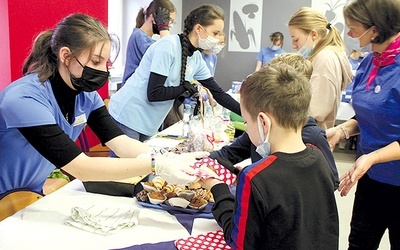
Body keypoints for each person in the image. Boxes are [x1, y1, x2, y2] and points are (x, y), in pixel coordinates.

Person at [0, 13, 202, 198]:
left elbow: (120, 142)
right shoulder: (24, 99)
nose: (102, 71)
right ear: (66, 56)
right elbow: (81, 167)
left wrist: (166, 158)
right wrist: (154, 164)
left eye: (105, 63)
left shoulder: (86, 96)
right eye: (96, 61)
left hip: (27, 194)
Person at [201, 63, 339, 249]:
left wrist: (217, 188)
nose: (247, 128)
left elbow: (239, 242)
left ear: (263, 122)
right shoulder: (319, 158)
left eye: (246, 122)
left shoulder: (255, 178)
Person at [326, 0, 400, 248]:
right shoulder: (370, 62)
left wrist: (373, 157)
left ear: (375, 29)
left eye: (353, 27)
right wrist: (343, 129)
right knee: (359, 242)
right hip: (370, 176)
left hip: (392, 175)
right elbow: (371, 114)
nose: (348, 33)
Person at [109, 4, 241, 142]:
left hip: (148, 122)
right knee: (128, 163)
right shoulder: (168, 46)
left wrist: (247, 114)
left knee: (142, 162)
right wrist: (183, 88)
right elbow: (154, 93)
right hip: (128, 114)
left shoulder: (196, 59)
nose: (218, 38)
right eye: (215, 33)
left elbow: (218, 93)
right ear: (198, 29)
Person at [210, 53, 339, 189]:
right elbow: (229, 154)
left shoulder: (313, 137)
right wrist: (199, 161)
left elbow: (331, 181)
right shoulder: (258, 132)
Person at [288, 7, 353, 130]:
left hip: (309, 135)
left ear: (313, 34)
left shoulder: (325, 58)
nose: (293, 45)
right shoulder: (327, 56)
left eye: (296, 39)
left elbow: (316, 110)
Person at [122, 0, 176, 85]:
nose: (169, 26)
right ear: (154, 18)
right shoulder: (139, 36)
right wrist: (163, 28)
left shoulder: (146, 39)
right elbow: (166, 56)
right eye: (167, 21)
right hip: (133, 91)